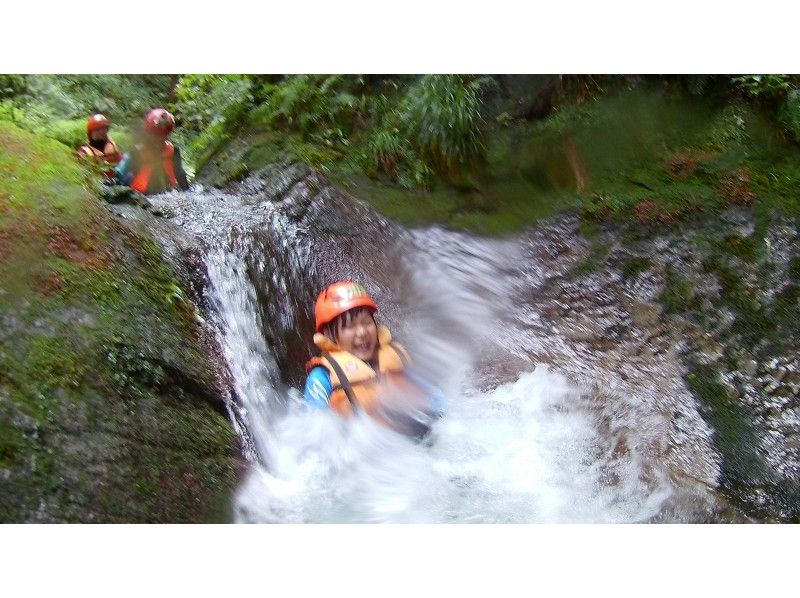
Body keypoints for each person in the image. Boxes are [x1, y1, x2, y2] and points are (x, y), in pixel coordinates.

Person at [304, 281, 442, 438]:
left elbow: (435, 398)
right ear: (329, 336)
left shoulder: (393, 358)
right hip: (360, 449)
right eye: (350, 326)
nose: (362, 332)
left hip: (407, 440)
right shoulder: (322, 377)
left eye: (367, 322)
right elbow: (315, 429)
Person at [115, 108, 189, 195]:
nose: (160, 138)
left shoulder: (173, 152)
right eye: (156, 135)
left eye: (164, 135)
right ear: (149, 133)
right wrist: (114, 179)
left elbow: (181, 175)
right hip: (140, 195)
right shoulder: (137, 152)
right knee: (127, 177)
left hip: (166, 194)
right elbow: (120, 171)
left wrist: (187, 193)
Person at [77, 114, 123, 179]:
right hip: (100, 182)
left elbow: (123, 163)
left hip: (116, 179)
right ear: (91, 132)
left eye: (104, 128)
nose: (103, 132)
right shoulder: (84, 151)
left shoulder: (113, 145)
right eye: (98, 129)